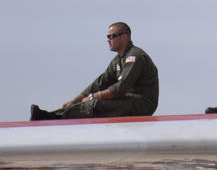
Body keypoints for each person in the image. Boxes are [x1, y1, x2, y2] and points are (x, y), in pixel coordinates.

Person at [30, 22, 159, 120]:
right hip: (129, 100)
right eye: (107, 37)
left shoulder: (134, 57)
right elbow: (101, 82)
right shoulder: (118, 60)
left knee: (96, 104)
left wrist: (93, 97)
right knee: (93, 102)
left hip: (142, 103)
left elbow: (121, 88)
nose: (108, 40)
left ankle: (53, 118)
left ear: (124, 36)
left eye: (112, 36)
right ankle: (52, 115)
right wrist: (75, 100)